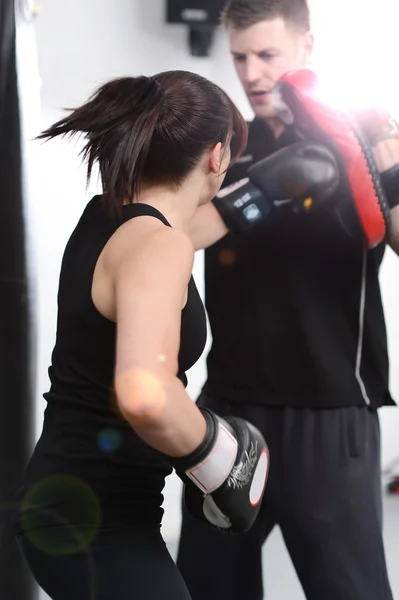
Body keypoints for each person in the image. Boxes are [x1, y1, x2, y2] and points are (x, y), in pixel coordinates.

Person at [11, 70, 284, 600]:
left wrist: (265, 194)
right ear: (217, 157)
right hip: (98, 520)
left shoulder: (109, 219)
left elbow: (188, 229)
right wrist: (218, 455)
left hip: (73, 507)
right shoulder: (160, 245)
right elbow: (148, 396)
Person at [176, 2, 399, 600]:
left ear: (306, 48)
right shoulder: (222, 150)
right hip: (227, 411)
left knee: (350, 591)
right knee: (206, 589)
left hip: (328, 412)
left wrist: (381, 143)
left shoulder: (357, 142)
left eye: (267, 55)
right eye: (240, 57)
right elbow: (168, 238)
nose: (252, 73)